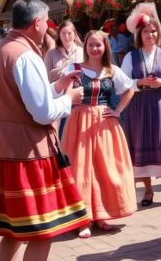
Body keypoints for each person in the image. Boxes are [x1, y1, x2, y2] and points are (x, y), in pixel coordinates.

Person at [0, 0, 89, 261]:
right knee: (42, 231)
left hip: (0, 148)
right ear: (36, 23)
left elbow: (19, 100)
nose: (48, 27)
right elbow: (42, 112)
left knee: (12, 231)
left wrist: (59, 85)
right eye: (47, 21)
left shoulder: (0, 50)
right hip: (26, 153)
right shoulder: (25, 55)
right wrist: (69, 99)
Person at [58, 30, 136, 238]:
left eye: (98, 45)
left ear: (105, 47)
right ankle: (84, 219)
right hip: (79, 123)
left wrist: (118, 110)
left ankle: (100, 215)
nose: (94, 49)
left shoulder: (112, 70)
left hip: (104, 124)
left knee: (103, 170)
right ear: (85, 47)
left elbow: (130, 89)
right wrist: (68, 99)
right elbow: (59, 90)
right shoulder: (74, 68)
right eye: (91, 45)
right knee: (81, 171)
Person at [120, 3, 161, 207]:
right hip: (139, 105)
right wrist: (139, 83)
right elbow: (121, 83)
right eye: (147, 31)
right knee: (141, 144)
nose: (151, 35)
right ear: (140, 33)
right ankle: (147, 190)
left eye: (154, 31)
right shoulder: (131, 56)